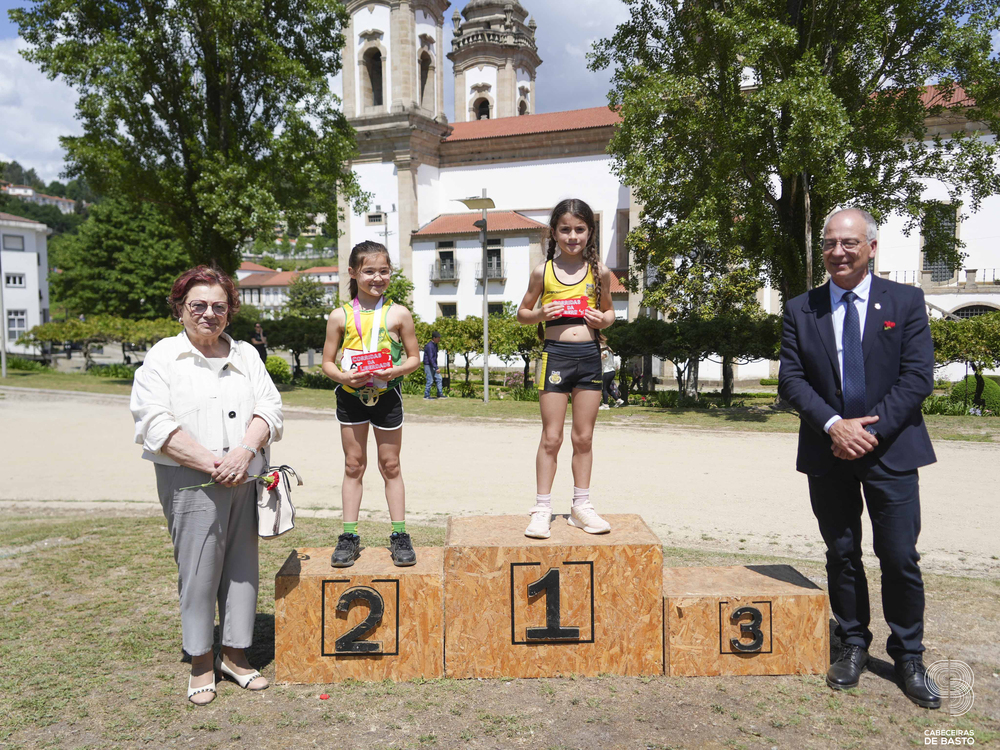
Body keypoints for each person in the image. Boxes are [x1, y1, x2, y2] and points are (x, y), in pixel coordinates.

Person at [778, 208, 940, 709]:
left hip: (889, 450)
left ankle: (908, 655)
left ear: (872, 247)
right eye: (829, 243)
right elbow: (791, 380)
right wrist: (834, 426)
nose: (838, 252)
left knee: (898, 556)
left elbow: (917, 377)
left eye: (849, 243)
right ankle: (852, 643)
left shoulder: (906, 302)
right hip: (829, 451)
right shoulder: (801, 308)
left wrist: (867, 431)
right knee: (842, 553)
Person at [130, 265, 283, 706]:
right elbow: (153, 421)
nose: (209, 313)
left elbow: (269, 407)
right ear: (180, 308)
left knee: (241, 567)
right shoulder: (163, 357)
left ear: (230, 312)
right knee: (198, 570)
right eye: (198, 305)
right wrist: (214, 462)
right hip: (190, 478)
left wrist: (243, 454)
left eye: (219, 306)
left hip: (245, 473)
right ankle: (200, 659)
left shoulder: (246, 355)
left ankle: (235, 655)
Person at [517, 198, 616, 539]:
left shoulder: (600, 272)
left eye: (580, 229)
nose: (572, 236)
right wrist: (541, 315)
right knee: (552, 437)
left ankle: (581, 506)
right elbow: (522, 313)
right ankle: (542, 508)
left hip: (589, 356)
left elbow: (610, 313)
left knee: (584, 437)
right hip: (555, 356)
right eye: (565, 230)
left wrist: (603, 319)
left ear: (590, 232)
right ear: (554, 233)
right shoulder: (541, 271)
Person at [321, 241, 421, 568]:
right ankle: (349, 536)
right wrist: (343, 378)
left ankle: (399, 535)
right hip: (351, 398)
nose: (377, 277)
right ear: (353, 273)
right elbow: (327, 363)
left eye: (383, 271)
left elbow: (414, 358)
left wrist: (394, 370)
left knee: (390, 466)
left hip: (386, 396)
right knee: (354, 465)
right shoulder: (339, 315)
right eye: (369, 271)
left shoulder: (399, 313)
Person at [599, 339, 624, 409]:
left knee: (604, 388)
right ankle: (618, 400)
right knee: (607, 388)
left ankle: (605, 404)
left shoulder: (605, 352)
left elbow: (599, 359)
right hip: (612, 371)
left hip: (607, 372)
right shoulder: (610, 353)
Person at [423, 330, 445, 399]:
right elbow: (430, 358)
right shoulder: (429, 346)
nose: (439, 339)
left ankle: (439, 393)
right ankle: (426, 395)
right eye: (438, 338)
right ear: (434, 338)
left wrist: (435, 366)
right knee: (430, 380)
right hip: (428, 365)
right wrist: (436, 367)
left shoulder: (435, 345)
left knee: (439, 378)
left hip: (433, 364)